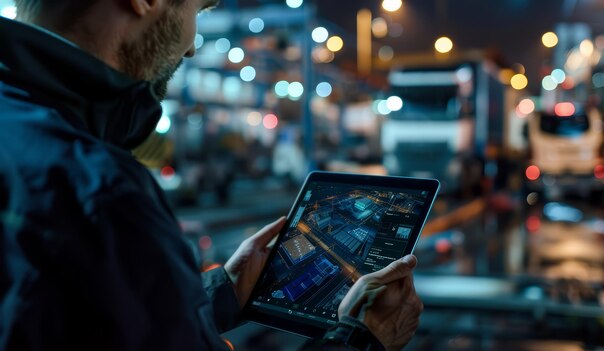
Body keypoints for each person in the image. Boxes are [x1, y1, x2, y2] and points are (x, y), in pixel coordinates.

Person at [0, 0, 423, 350]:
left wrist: (224, 291)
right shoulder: (103, 194)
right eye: (196, 12)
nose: (190, 48)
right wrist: (361, 338)